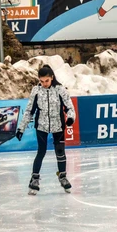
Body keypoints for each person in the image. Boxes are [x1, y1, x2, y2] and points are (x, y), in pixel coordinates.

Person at [16, 65, 75, 194]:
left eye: (46, 81)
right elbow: (29, 111)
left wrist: (71, 118)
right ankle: (34, 179)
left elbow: (69, 107)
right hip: (41, 126)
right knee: (41, 151)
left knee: (60, 151)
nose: (44, 84)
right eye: (41, 81)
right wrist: (21, 128)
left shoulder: (60, 90)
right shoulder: (36, 91)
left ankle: (63, 176)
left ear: (52, 77)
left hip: (58, 125)